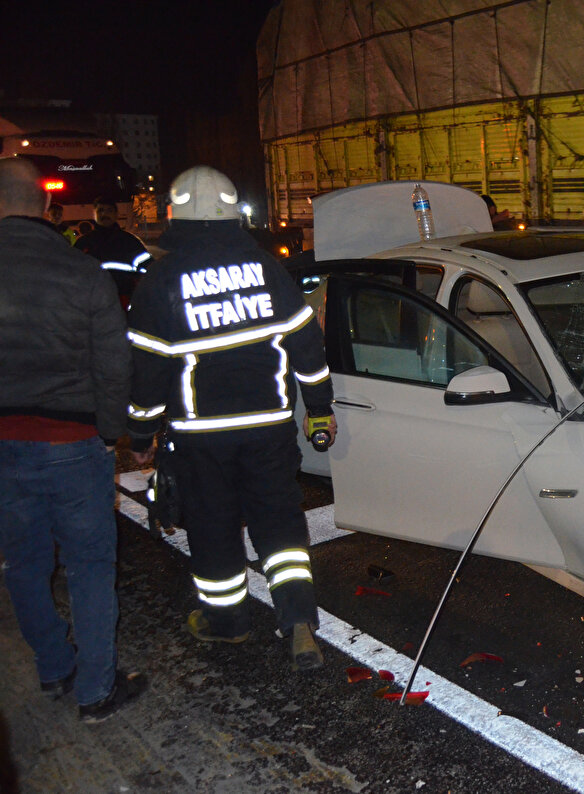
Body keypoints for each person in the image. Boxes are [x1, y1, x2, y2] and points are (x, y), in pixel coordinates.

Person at [126, 165, 336, 672]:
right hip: (268, 426)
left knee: (213, 525)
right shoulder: (267, 267)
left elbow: (148, 370)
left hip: (202, 436)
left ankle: (228, 622)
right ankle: (299, 619)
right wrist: (320, 409)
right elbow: (307, 345)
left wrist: (139, 432)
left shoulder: (160, 278)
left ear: (173, 214)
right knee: (279, 520)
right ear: (231, 212)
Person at [0, 157, 147, 723]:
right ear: (46, 207)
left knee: (23, 564)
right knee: (89, 566)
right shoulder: (82, 272)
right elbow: (115, 364)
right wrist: (115, 433)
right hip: (73, 442)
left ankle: (54, 666)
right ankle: (96, 690)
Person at [74, 197, 151, 309]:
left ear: (116, 214)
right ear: (94, 214)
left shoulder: (130, 242)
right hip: (92, 304)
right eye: (100, 211)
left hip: (123, 302)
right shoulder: (83, 243)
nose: (105, 214)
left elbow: (147, 270)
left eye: (109, 211)